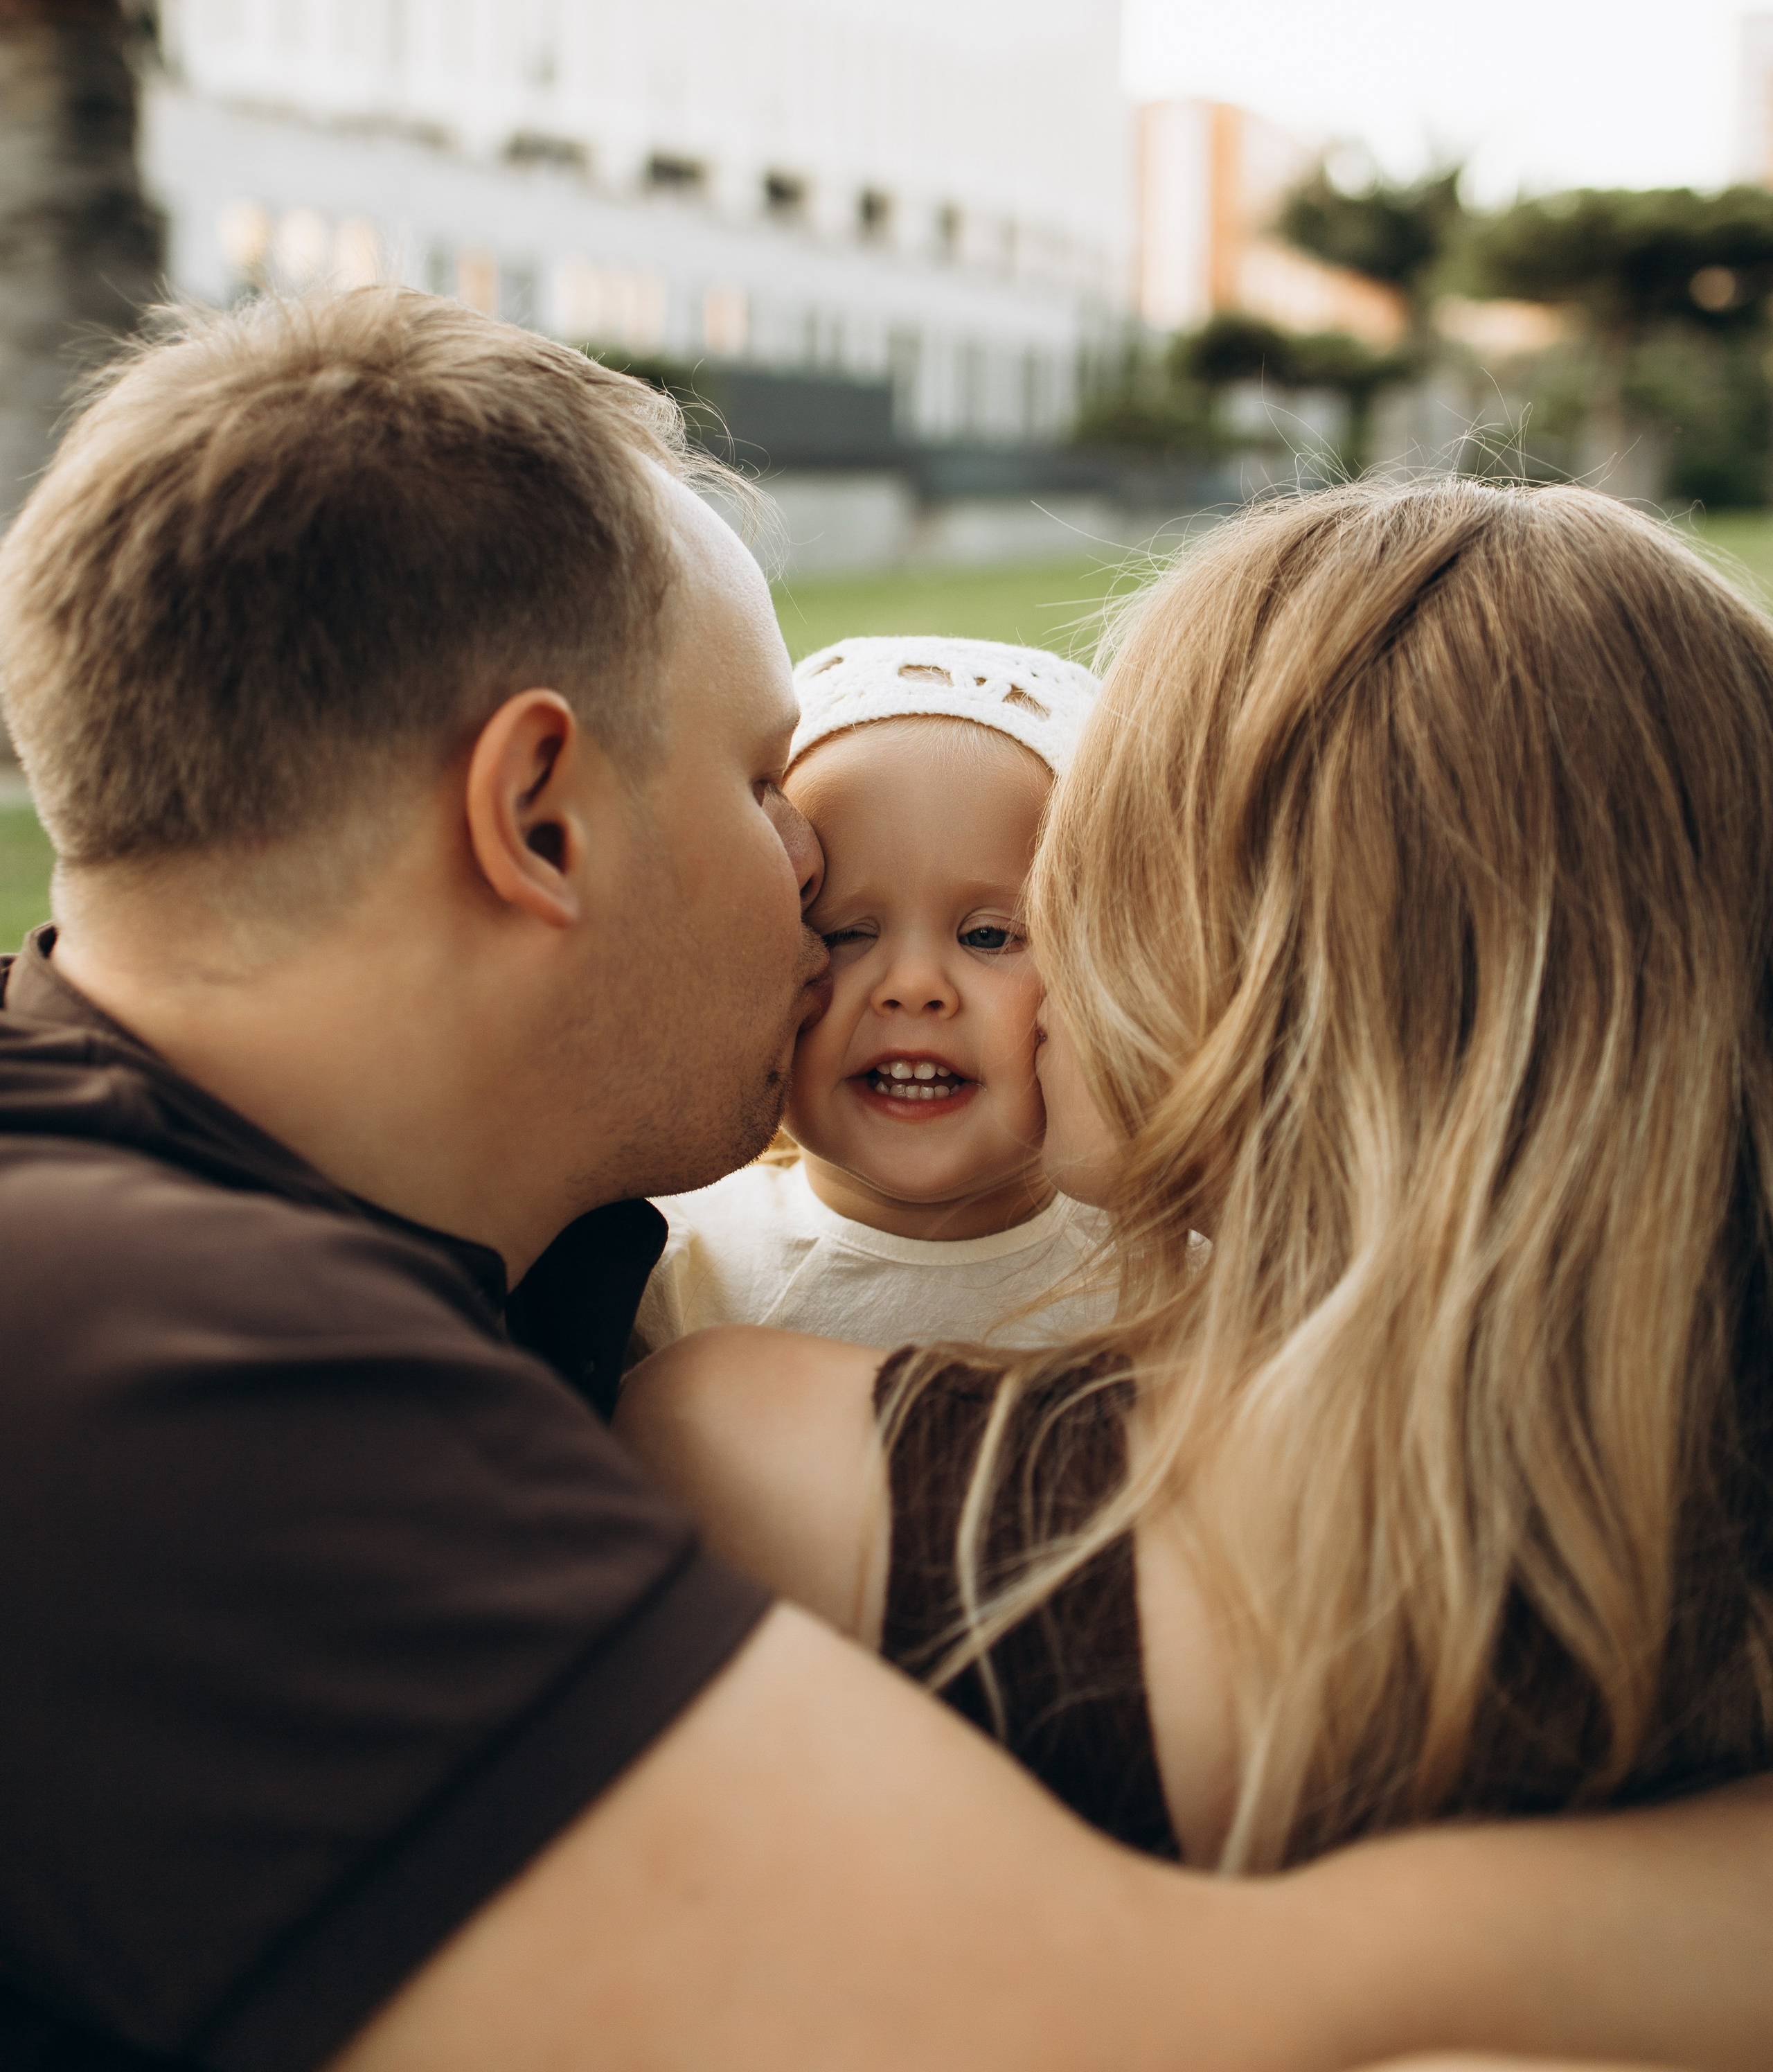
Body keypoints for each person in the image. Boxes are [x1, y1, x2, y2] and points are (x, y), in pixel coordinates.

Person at [0, 289, 1765, 2072]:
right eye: (765, 779)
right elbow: (1109, 2015)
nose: (808, 861)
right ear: (537, 816)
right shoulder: (161, 1371)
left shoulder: (253, 1255)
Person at [619, 479, 1773, 1873]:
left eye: (1087, 871)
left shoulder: (757, 1444)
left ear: (1292, 967)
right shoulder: (1693, 1572)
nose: (948, 978)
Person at [634, 634, 1114, 1354]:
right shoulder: (668, 1270)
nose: (913, 988)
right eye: (845, 934)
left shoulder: (1181, 1275)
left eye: (988, 936)